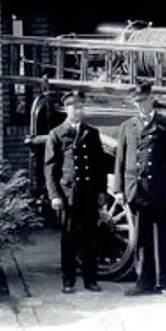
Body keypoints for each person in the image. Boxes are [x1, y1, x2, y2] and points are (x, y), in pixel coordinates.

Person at [112, 82, 166, 297]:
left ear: (152, 99)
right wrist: (118, 189)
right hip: (136, 189)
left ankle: (162, 283)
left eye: (143, 101)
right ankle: (143, 282)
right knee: (141, 239)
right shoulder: (127, 126)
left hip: (158, 189)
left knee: (159, 237)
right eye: (137, 102)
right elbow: (120, 160)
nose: (140, 106)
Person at [44, 89, 107, 294]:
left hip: (88, 193)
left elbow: (99, 165)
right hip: (68, 195)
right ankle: (68, 280)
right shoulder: (57, 134)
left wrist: (101, 191)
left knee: (91, 237)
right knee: (69, 238)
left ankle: (91, 280)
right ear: (66, 109)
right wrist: (54, 195)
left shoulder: (92, 133)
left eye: (81, 107)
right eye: (74, 107)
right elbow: (50, 168)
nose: (78, 111)